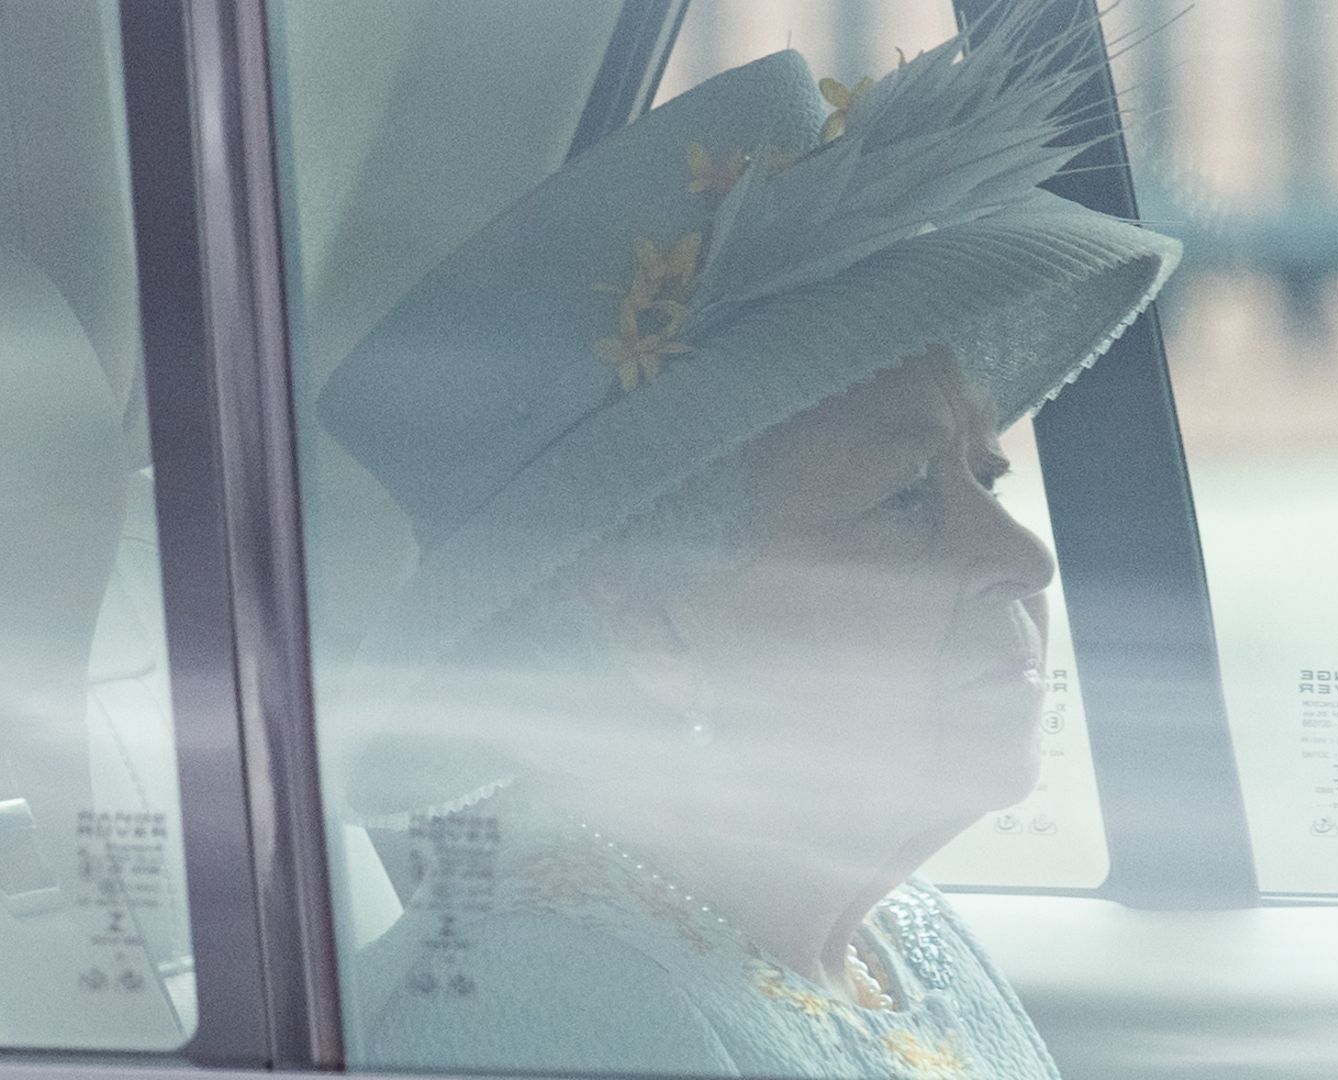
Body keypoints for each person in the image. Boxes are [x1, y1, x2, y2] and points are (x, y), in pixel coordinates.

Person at [319, 4, 1180, 1076]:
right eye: (907, 499)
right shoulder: (552, 1016)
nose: (1023, 559)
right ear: (656, 631)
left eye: (988, 472)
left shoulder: (899, 937)